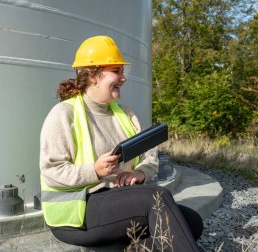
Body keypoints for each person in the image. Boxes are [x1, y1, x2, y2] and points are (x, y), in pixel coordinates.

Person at [39, 35, 203, 251]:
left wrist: (140, 173)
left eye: (123, 71)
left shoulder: (125, 114)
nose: (123, 78)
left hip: (117, 201)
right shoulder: (64, 113)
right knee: (157, 197)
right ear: (94, 76)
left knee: (191, 221)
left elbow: (150, 157)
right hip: (77, 211)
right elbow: (52, 171)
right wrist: (95, 171)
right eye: (116, 71)